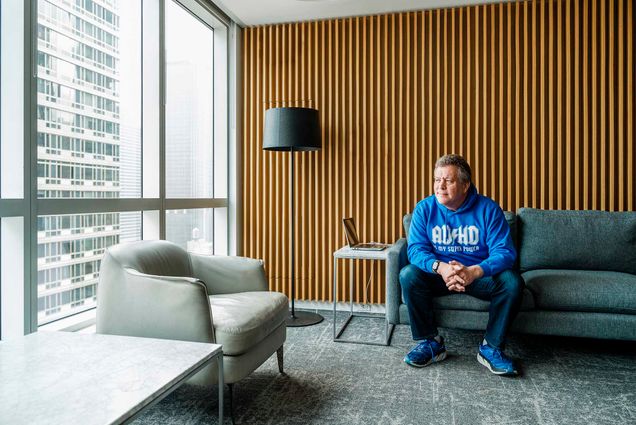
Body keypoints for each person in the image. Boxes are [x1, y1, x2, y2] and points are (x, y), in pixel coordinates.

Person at [399, 154, 524, 376]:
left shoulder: (488, 209)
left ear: (465, 184)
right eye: (437, 180)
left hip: (478, 277)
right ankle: (431, 343)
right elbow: (416, 250)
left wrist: (475, 271)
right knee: (409, 274)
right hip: (440, 276)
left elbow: (504, 253)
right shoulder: (424, 209)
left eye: (448, 180)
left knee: (511, 281)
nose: (440, 186)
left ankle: (491, 348)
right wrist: (441, 268)